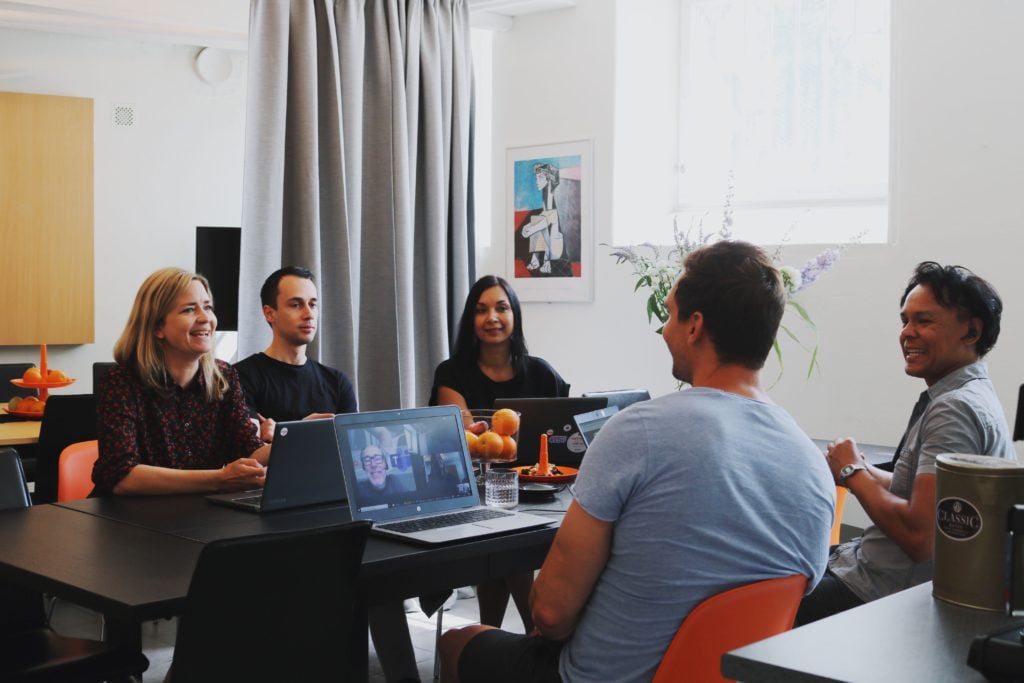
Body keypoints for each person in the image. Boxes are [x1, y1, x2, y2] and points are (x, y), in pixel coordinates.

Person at [439, 241, 835, 683]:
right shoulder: (813, 465)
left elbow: (550, 614)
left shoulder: (638, 430)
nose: (664, 330)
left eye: (669, 314)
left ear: (695, 326)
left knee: (456, 641)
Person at [795, 261, 1015, 625]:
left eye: (924, 321)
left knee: (751, 607)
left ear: (971, 331)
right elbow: (919, 492)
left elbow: (920, 537)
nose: (907, 334)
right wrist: (856, 469)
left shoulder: (954, 409)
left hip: (880, 591)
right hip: (868, 567)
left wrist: (853, 472)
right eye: (905, 321)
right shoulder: (967, 393)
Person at [430, 274, 569, 631]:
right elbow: (467, 438)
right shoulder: (452, 372)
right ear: (470, 320)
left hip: (535, 491)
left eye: (501, 308)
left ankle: (495, 637)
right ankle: (534, 636)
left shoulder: (541, 372)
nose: (492, 317)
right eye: (481, 310)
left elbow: (565, 432)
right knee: (507, 542)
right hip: (472, 492)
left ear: (515, 315)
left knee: (507, 541)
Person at [93, 268, 270, 495]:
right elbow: (123, 477)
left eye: (208, 307)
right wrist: (219, 479)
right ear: (158, 327)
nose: (206, 318)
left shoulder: (223, 376)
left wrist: (294, 444)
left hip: (198, 517)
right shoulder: (120, 382)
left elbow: (247, 448)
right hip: (126, 520)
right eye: (189, 310)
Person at [234, 266, 356, 442]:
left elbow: (351, 452)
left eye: (313, 304)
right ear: (269, 313)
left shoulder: (337, 382)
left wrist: (287, 432)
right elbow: (246, 456)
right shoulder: (239, 377)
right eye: (296, 305)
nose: (308, 314)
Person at [521, 163, 565, 275]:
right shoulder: (545, 193)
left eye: (540, 177)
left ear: (548, 179)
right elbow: (544, 214)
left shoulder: (552, 193)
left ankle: (547, 261)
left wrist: (532, 229)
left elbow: (551, 217)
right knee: (537, 219)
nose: (536, 181)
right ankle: (535, 260)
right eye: (536, 177)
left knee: (545, 220)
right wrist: (529, 226)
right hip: (550, 242)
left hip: (555, 248)